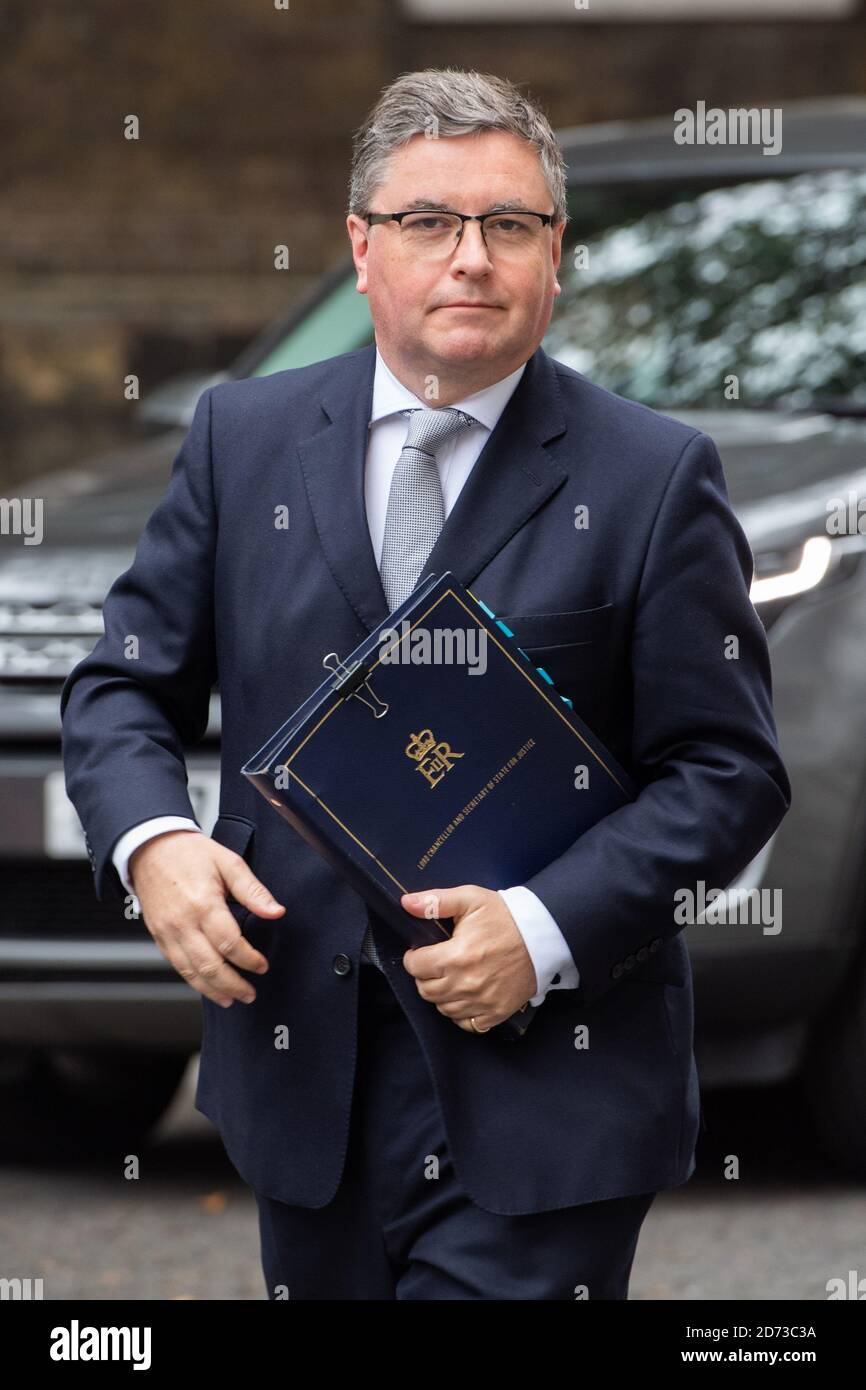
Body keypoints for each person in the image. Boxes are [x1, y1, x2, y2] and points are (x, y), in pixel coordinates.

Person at [60, 67, 791, 1300]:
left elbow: (727, 773)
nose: (470, 258)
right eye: (427, 222)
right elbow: (121, 689)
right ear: (360, 247)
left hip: (548, 1096)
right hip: (305, 1084)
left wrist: (544, 929)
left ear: (553, 257)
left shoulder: (656, 476)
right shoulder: (242, 439)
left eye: (509, 225)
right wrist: (152, 844)